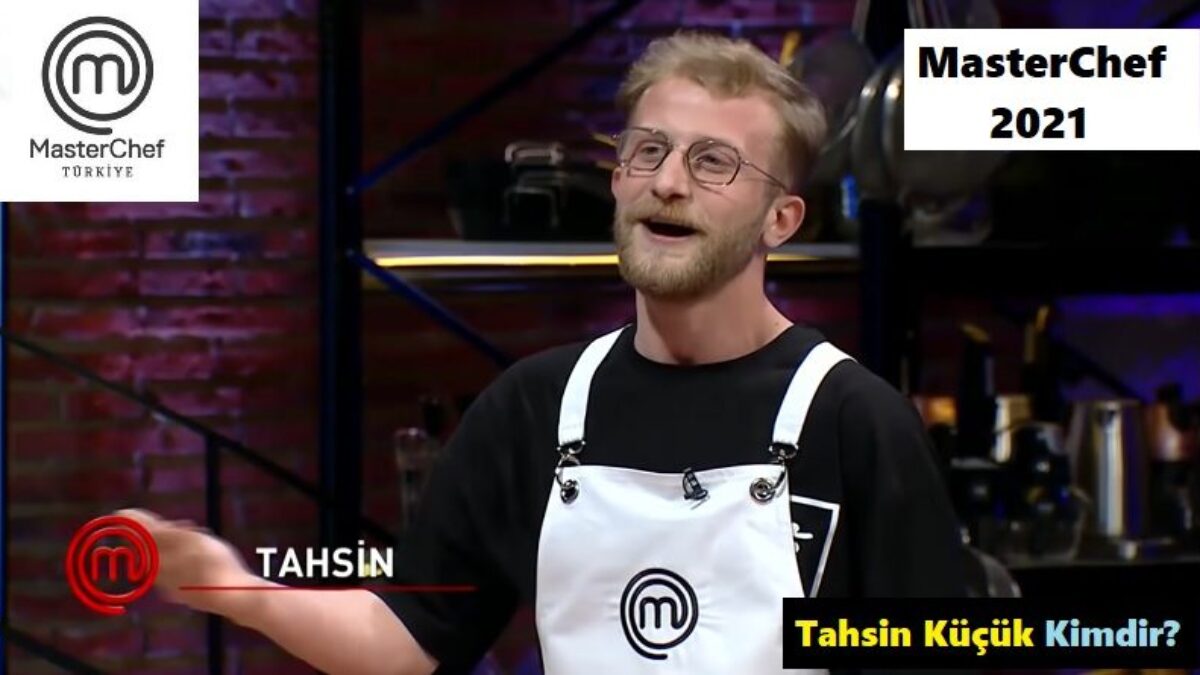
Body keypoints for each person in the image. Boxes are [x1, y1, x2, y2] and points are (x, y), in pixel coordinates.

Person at [119, 30, 966, 675]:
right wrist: (237, 590)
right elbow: (408, 638)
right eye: (648, 151)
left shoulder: (855, 422)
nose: (668, 181)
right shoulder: (536, 409)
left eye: (713, 163)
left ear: (781, 219)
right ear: (619, 180)